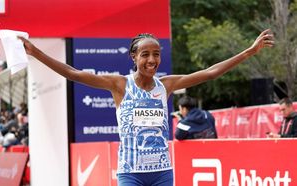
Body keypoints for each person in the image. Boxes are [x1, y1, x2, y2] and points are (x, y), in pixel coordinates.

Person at [19, 29, 273, 186]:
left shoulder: (166, 85)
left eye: (156, 54)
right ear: (134, 57)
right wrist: (36, 52)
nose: (152, 60)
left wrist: (249, 52)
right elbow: (73, 73)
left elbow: (209, 73)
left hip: (162, 173)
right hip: (131, 174)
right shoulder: (119, 85)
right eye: (145, 54)